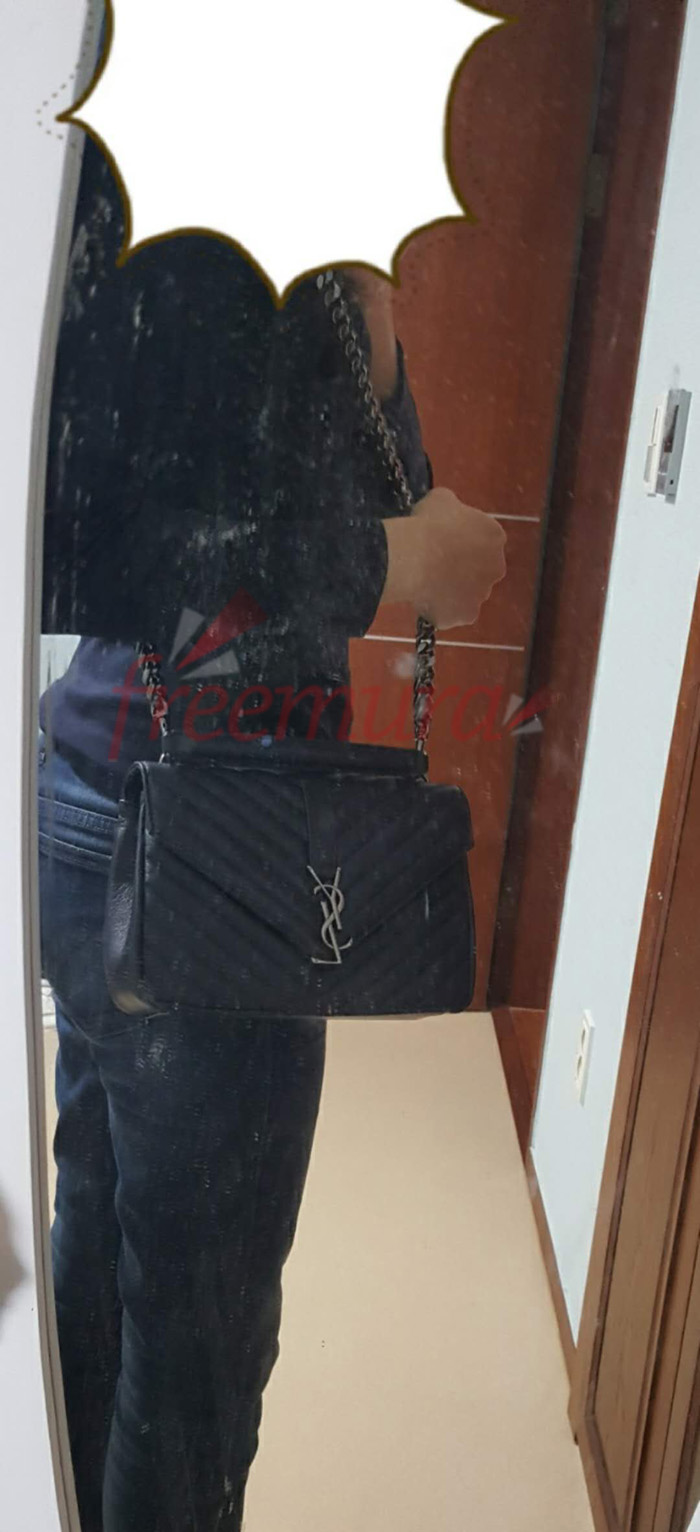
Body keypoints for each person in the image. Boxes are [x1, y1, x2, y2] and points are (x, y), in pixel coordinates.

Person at [39, 131, 506, 1532]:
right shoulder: (143, 218)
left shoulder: (278, 224)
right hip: (202, 844)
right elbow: (77, 545)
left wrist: (372, 321)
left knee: (108, 1247)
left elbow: (396, 486)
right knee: (193, 1350)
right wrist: (384, 560)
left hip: (132, 805)